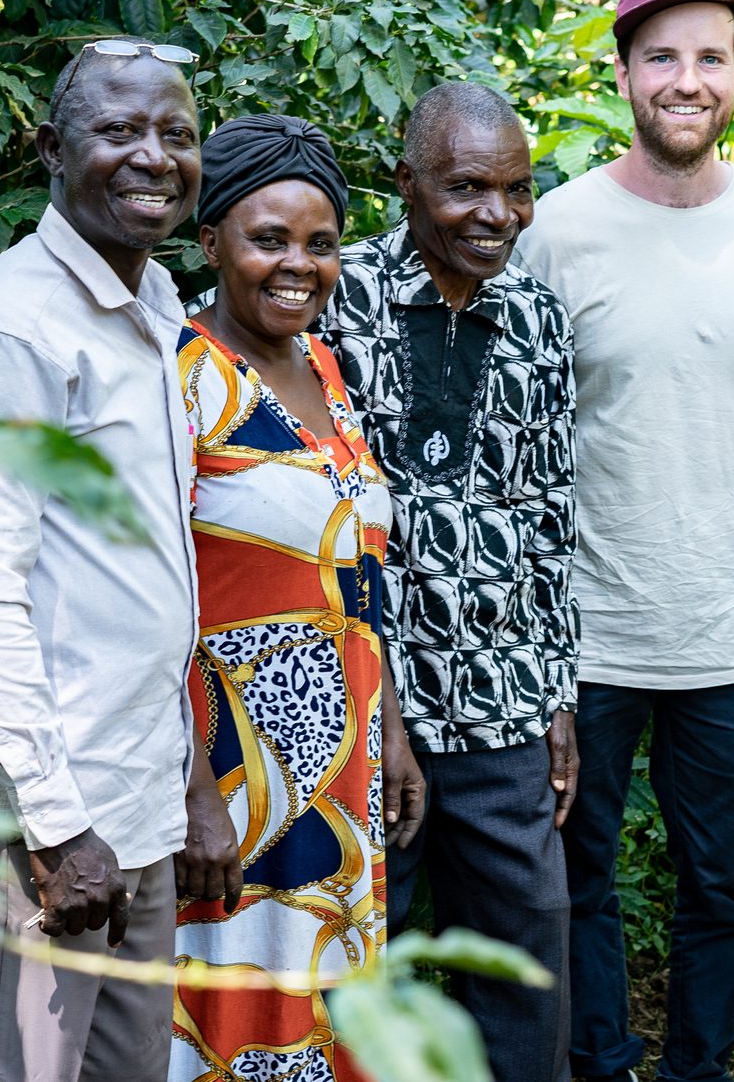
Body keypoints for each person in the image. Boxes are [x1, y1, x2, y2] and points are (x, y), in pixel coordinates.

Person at [515, 0, 734, 1082]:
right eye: (662, 58)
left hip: (732, 626)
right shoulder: (557, 228)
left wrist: (722, 470)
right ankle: (600, 1064)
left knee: (723, 887)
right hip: (588, 629)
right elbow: (526, 413)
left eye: (709, 58)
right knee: (575, 877)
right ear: (624, 76)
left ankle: (696, 1070)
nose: (686, 80)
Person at [0, 36, 215, 1082]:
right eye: (119, 130)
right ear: (50, 147)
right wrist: (51, 830)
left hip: (134, 800)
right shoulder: (9, 332)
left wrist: (188, 784)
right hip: (41, 825)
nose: (153, 156)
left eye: (176, 133)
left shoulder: (156, 310)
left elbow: (136, 578)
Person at [318, 81, 580, 1082]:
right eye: (469, 186)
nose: (497, 214)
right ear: (408, 185)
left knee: (524, 970)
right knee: (355, 974)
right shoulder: (335, 296)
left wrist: (555, 691)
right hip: (363, 705)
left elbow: (551, 514)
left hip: (501, 704)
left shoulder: (538, 318)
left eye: (518, 190)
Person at [171, 114, 424, 1082]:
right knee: (229, 1005)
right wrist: (195, 793)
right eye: (268, 239)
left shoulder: (323, 367)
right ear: (211, 245)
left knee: (324, 992)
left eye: (320, 245)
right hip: (236, 774)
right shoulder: (186, 377)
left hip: (341, 769)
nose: (298, 266)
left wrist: (389, 731)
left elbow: (353, 579)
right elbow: (154, 604)